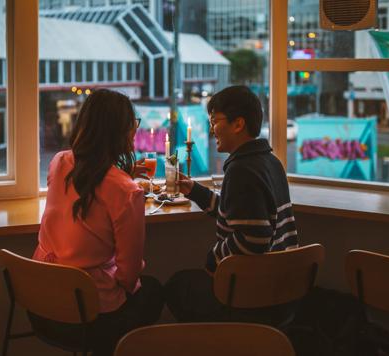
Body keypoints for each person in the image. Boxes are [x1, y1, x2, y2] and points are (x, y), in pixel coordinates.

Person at [33, 89, 163, 355]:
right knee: (154, 291)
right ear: (120, 131)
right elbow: (128, 275)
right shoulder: (126, 191)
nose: (134, 132)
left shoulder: (59, 162)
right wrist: (122, 180)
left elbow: (89, 185)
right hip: (86, 315)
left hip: (40, 302)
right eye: (132, 125)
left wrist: (121, 175)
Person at [165, 85, 298, 323]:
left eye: (215, 121)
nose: (212, 129)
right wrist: (195, 191)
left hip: (251, 293)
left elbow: (254, 238)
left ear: (238, 124)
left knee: (177, 287)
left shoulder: (242, 170)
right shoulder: (269, 162)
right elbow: (240, 215)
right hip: (280, 287)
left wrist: (212, 259)